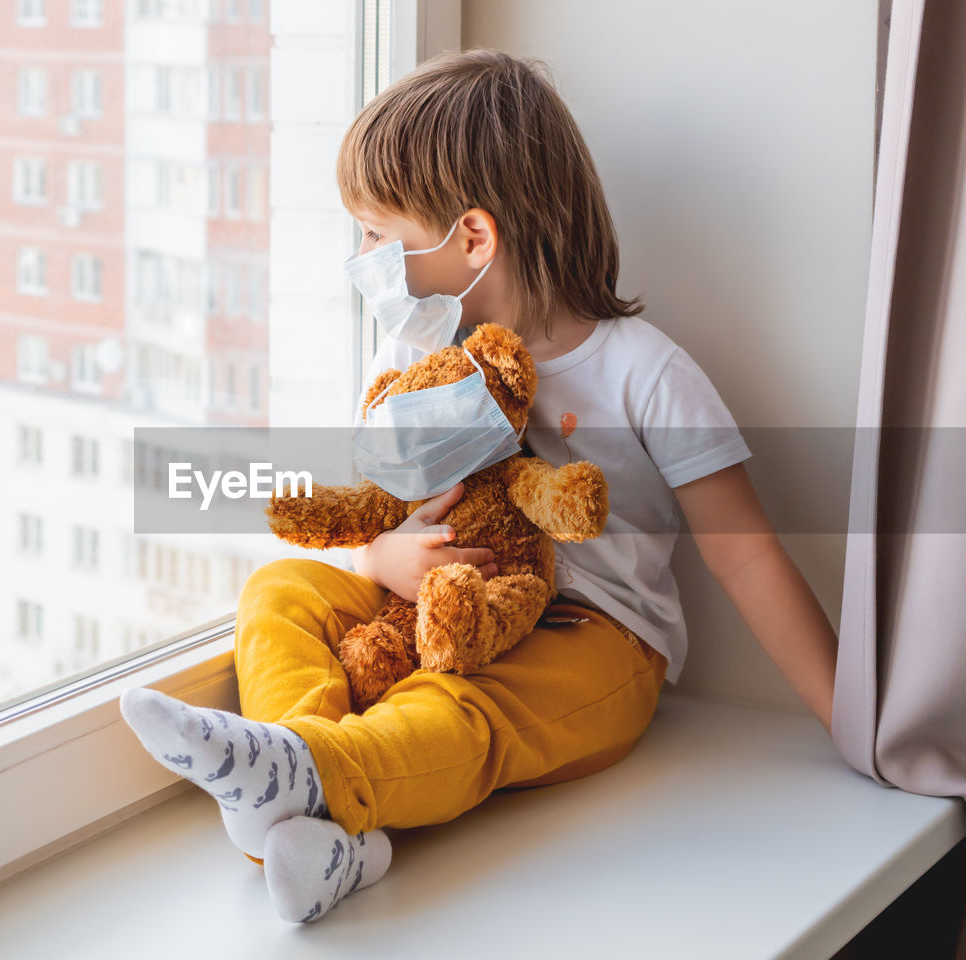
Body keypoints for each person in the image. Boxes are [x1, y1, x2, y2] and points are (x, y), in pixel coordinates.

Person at [119, 49, 840, 924]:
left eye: (377, 234)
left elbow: (748, 561)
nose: (363, 256)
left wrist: (855, 723)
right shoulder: (414, 359)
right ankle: (310, 790)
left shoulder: (643, 374)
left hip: (591, 642)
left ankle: (308, 782)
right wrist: (387, 558)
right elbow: (374, 510)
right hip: (430, 616)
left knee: (457, 707)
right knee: (279, 590)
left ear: (472, 239)